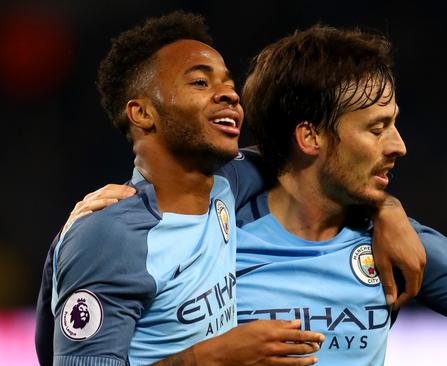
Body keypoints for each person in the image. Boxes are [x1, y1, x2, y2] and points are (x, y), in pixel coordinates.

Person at [56, 24, 447, 365]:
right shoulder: (212, 216)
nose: (399, 146)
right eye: (376, 128)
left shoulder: (393, 241)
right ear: (309, 137)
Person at [36, 12, 328, 366]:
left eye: (228, 83)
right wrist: (213, 357)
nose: (230, 95)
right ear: (143, 113)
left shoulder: (227, 184)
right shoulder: (111, 239)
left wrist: (387, 213)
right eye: (201, 83)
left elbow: (321, 165)